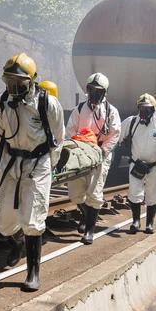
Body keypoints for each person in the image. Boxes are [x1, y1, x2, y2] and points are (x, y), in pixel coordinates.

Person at [0, 53, 64, 292]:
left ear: (31, 82)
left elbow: (57, 139)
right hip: (12, 162)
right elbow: (1, 135)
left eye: (19, 84)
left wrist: (49, 169)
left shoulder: (47, 104)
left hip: (38, 164)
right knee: (4, 221)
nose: (13, 88)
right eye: (9, 82)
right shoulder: (3, 102)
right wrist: (5, 167)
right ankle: (17, 242)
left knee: (33, 220)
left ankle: (33, 273)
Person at [65, 73, 121, 244]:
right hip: (81, 156)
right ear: (87, 90)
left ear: (104, 93)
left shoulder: (111, 111)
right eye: (92, 91)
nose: (95, 95)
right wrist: (77, 147)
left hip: (100, 156)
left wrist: (102, 152)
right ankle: (86, 215)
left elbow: (114, 134)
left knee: (94, 194)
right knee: (75, 193)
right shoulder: (80, 109)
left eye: (98, 92)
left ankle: (89, 231)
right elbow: (70, 130)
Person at [119, 93, 156, 234]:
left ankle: (150, 223)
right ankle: (136, 221)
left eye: (148, 109)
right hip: (136, 165)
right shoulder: (131, 122)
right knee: (134, 192)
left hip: (154, 166)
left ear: (154, 110)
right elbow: (117, 135)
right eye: (142, 108)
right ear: (138, 108)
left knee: (153, 193)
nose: (145, 112)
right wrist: (112, 148)